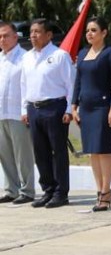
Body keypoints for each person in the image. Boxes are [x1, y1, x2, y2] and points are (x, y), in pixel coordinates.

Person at [20, 19, 75, 208]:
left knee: (58, 152)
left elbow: (71, 84)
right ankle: (48, 190)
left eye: (37, 32)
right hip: (34, 109)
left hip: (55, 108)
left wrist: (69, 109)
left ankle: (61, 192)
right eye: (31, 32)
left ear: (49, 35)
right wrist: (23, 109)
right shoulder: (27, 57)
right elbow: (23, 85)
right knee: (40, 151)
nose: (33, 35)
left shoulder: (60, 55)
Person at [71, 17, 111, 212]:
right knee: (92, 151)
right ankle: (99, 189)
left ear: (104, 32)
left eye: (94, 30)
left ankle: (106, 191)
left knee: (104, 150)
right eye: (87, 30)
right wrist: (74, 105)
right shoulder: (83, 53)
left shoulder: (110, 53)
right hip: (86, 108)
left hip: (103, 107)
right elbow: (78, 80)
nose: (89, 34)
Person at [0, 21, 35, 205]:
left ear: (16, 37)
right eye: (0, 36)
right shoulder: (0, 58)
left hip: (17, 113)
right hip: (1, 113)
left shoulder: (25, 58)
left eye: (6, 35)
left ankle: (27, 190)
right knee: (5, 154)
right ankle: (11, 190)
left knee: (23, 154)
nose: (2, 40)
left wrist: (26, 109)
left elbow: (29, 85)